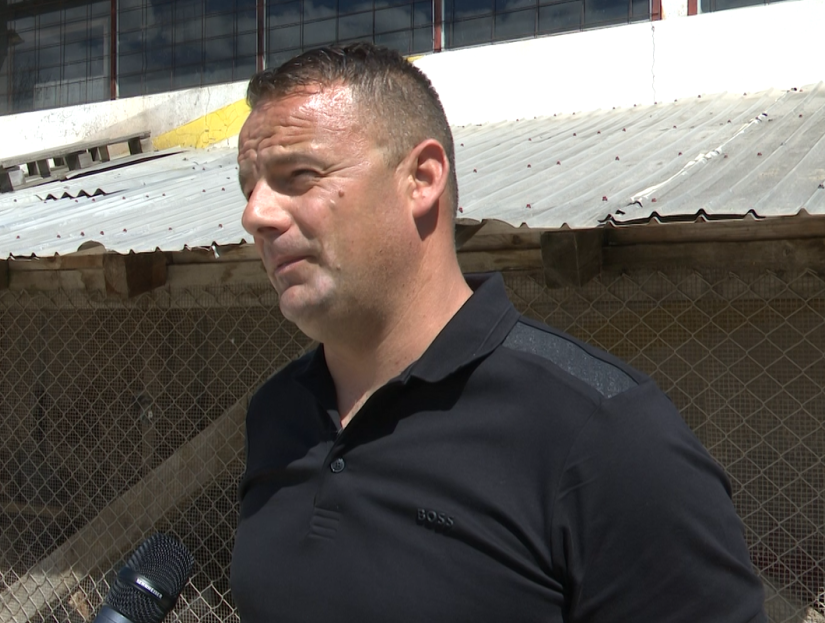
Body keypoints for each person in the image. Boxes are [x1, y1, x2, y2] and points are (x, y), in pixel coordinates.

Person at [229, 43, 766, 623]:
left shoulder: (604, 435)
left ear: (421, 178)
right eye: (249, 188)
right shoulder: (277, 414)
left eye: (298, 176)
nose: (255, 214)